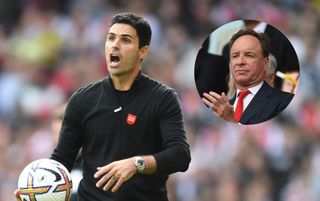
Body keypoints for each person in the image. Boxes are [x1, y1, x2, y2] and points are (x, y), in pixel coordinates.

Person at [15, 12, 191, 201]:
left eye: (125, 40)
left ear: (143, 51)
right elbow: (62, 160)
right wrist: (36, 192)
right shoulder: (82, 100)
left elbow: (180, 155)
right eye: (111, 38)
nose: (115, 44)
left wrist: (137, 163)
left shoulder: (162, 98)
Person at [202, 29, 294, 125]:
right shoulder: (224, 107)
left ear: (265, 63)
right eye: (235, 56)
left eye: (249, 55)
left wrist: (231, 119)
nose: (240, 62)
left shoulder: (283, 102)